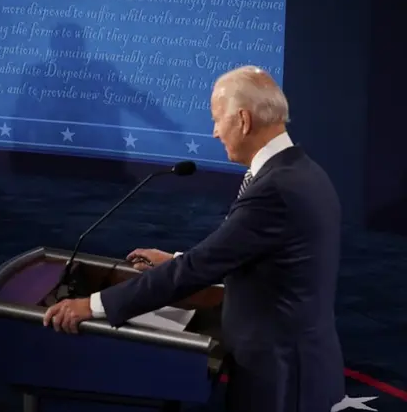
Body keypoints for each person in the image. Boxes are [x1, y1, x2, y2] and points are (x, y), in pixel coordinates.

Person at [43, 66, 345, 412]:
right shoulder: (303, 170)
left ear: (243, 120)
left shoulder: (275, 188)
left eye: (217, 119)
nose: (215, 132)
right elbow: (251, 253)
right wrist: (174, 259)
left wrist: (93, 305)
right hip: (295, 363)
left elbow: (200, 267)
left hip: (282, 376)